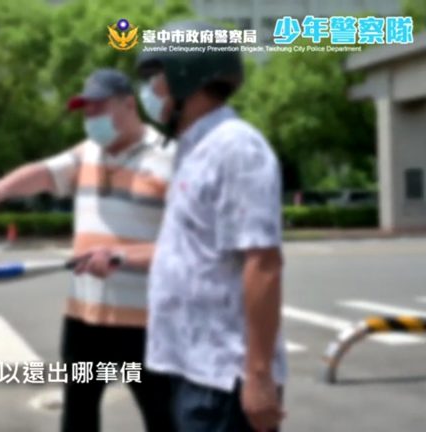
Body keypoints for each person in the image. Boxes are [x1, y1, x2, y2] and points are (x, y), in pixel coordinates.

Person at [76, 21, 287, 432]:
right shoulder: (195, 149)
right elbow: (190, 250)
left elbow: (263, 262)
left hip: (224, 378)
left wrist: (259, 375)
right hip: (191, 368)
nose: (150, 91)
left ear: (187, 75)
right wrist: (118, 255)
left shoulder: (235, 147)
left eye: (156, 78)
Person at [0, 68, 175, 432]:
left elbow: (184, 247)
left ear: (129, 105)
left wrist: (120, 257)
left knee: (164, 418)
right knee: (78, 416)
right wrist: (4, 187)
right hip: (85, 319)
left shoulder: (169, 156)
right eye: (86, 110)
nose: (91, 117)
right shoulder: (87, 153)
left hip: (147, 323)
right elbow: (44, 173)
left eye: (99, 107)